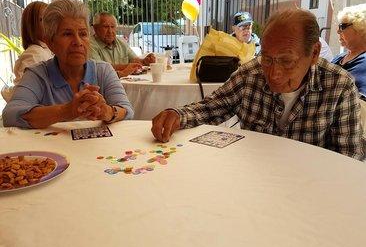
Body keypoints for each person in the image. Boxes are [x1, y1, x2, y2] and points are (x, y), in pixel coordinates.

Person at [152, 9, 365, 161]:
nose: (274, 73)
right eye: (267, 59)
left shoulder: (339, 86)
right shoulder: (251, 74)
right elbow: (211, 107)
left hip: (310, 187)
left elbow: (348, 157)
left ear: (314, 54)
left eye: (286, 61)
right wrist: (177, 115)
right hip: (253, 177)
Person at [2, 0, 133, 128]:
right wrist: (67, 111)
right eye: (67, 34)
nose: (78, 42)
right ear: (50, 43)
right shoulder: (37, 74)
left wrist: (106, 111)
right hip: (51, 148)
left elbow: (126, 110)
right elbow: (11, 115)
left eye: (83, 34)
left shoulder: (103, 70)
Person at [89, 12, 155, 77]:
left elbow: (134, 60)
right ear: (95, 28)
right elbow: (100, 69)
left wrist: (145, 61)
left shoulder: (121, 41)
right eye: (106, 27)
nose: (110, 31)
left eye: (112, 27)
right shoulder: (90, 45)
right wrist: (127, 67)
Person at [13, 1, 53, 85]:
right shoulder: (34, 55)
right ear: (31, 25)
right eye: (43, 19)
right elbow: (25, 90)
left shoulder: (45, 50)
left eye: (50, 19)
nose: (49, 24)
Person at [331, 3, 366, 97]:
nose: (338, 31)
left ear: (361, 28)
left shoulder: (364, 62)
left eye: (342, 26)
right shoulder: (339, 57)